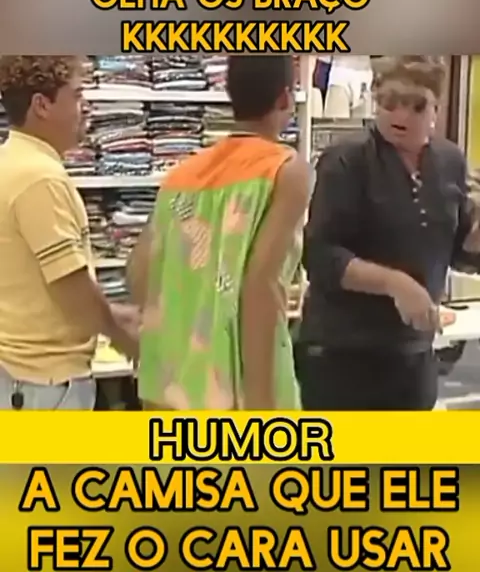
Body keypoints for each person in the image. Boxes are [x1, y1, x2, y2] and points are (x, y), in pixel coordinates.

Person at [296, 56, 480, 411]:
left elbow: (457, 249)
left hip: (414, 356)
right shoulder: (347, 161)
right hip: (344, 355)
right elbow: (321, 256)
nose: (401, 115)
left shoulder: (448, 162)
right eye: (389, 102)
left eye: (416, 105)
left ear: (436, 107)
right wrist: (396, 284)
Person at [127, 55, 311, 410]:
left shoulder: (181, 174)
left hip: (170, 385)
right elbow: (262, 286)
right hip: (236, 389)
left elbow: (140, 273)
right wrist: (263, 404)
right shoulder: (285, 170)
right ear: (286, 98)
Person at [0, 56, 139, 410]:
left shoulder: (10, 161)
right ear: (42, 105)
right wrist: (124, 335)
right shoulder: (39, 178)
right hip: (44, 385)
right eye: (77, 95)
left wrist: (116, 315)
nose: (86, 105)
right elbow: (70, 286)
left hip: (18, 373)